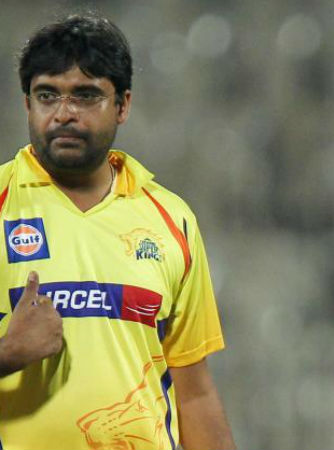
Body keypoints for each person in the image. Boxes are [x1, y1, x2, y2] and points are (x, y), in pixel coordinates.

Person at [0, 14, 235, 450]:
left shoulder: (171, 218)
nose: (64, 113)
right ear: (27, 105)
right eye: (47, 95)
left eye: (86, 96)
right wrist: (7, 354)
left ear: (123, 105)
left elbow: (195, 394)